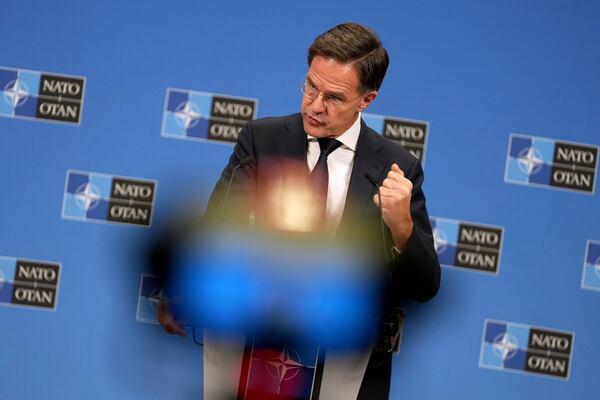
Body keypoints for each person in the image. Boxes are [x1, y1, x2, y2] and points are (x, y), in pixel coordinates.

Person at [159, 22, 440, 400]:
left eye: (334, 98)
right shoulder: (262, 140)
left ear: (367, 99)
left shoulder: (397, 168)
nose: (314, 106)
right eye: (310, 86)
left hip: (346, 364)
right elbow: (216, 231)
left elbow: (425, 288)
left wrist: (402, 227)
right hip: (251, 349)